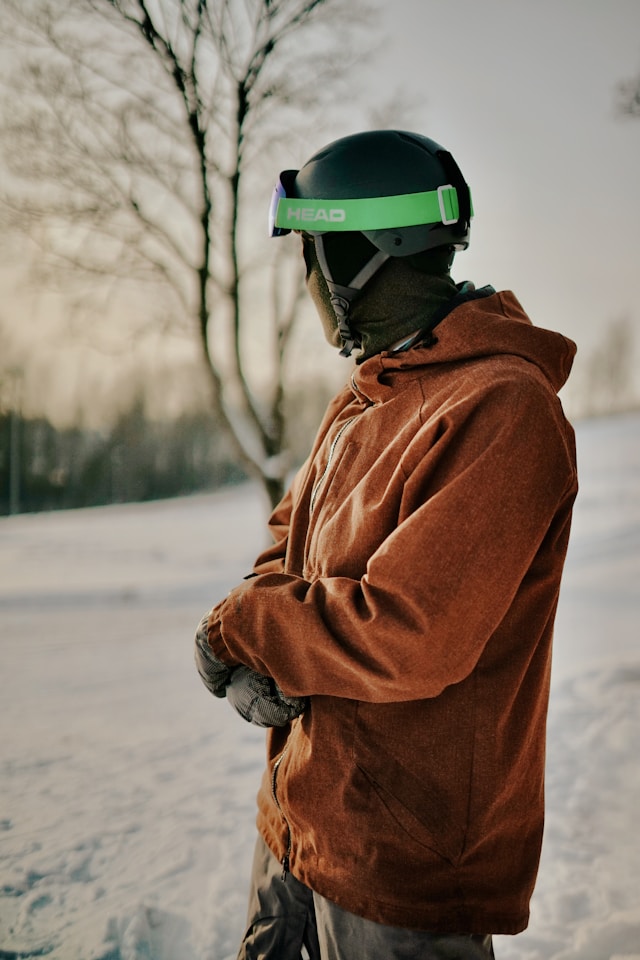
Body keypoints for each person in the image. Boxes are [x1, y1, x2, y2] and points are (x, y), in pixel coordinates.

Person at [194, 129, 578, 960]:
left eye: (311, 257)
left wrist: (240, 631)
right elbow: (284, 549)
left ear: (356, 260)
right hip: (298, 822)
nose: (306, 285)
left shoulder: (501, 409)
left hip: (405, 870)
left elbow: (409, 631)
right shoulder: (369, 395)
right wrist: (265, 646)